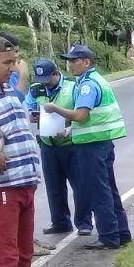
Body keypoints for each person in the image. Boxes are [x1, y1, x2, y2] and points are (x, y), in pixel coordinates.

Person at [0, 34, 54, 267]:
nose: (13, 67)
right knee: (4, 258)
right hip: (1, 189)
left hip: (25, 184)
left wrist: (22, 72)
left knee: (23, 256)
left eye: (14, 61)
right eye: (6, 62)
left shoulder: (7, 93)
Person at [42, 44, 130, 251]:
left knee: (99, 192)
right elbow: (91, 118)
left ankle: (109, 236)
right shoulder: (95, 80)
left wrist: (55, 108)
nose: (70, 65)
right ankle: (121, 233)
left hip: (92, 146)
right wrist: (71, 130)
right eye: (69, 61)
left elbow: (81, 116)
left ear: (87, 62)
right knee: (109, 189)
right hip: (102, 142)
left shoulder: (87, 85)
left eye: (74, 61)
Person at [26, 58, 90, 236]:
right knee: (54, 187)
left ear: (56, 73)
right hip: (48, 144)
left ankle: (84, 223)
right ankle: (60, 222)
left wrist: (65, 122)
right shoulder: (35, 88)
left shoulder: (72, 86)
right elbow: (31, 110)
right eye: (41, 81)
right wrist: (36, 116)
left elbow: (82, 114)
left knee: (80, 184)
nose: (45, 84)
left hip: (70, 143)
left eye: (48, 79)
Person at [0, 31, 28, 101]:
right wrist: (23, 76)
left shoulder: (14, 70)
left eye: (17, 51)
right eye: (14, 51)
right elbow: (16, 99)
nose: (16, 55)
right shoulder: (0, 74)